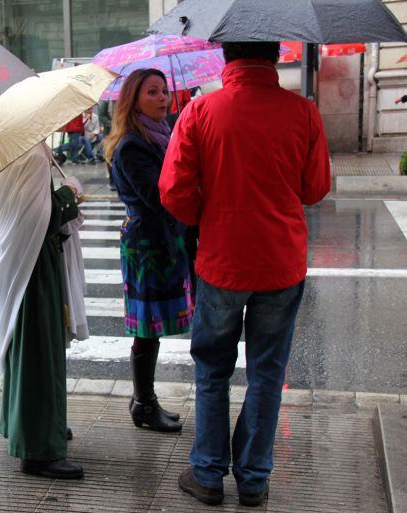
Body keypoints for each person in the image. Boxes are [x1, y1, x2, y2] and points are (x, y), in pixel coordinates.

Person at [159, 42, 331, 508]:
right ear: (274, 56)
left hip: (222, 262)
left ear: (226, 58)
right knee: (267, 374)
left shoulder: (200, 111)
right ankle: (253, 480)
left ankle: (208, 474)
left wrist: (206, 216)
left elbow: (173, 190)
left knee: (213, 372)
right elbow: (315, 189)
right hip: (281, 262)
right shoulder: (304, 113)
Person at [0, 142, 85, 480]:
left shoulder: (15, 148)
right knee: (38, 354)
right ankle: (39, 450)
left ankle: (33, 426)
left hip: (23, 260)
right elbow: (42, 215)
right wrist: (69, 193)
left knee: (28, 349)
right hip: (33, 264)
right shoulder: (30, 153)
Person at [103, 69, 194, 434]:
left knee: (152, 327)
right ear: (133, 100)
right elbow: (159, 198)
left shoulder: (162, 136)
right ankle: (143, 403)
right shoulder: (132, 145)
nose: (162, 98)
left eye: (164, 91)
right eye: (152, 92)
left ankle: (146, 401)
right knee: (147, 327)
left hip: (162, 240)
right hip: (147, 245)